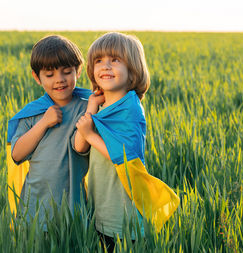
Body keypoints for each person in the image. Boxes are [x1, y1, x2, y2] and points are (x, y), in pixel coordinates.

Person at [74, 32, 180, 252]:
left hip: (123, 210)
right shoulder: (101, 106)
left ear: (133, 70)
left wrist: (91, 134)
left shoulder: (130, 109)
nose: (106, 66)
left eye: (115, 60)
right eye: (99, 61)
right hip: (101, 204)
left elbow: (125, 155)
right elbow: (79, 146)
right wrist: (91, 107)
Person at [6, 35, 92, 229]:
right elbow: (17, 154)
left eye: (67, 72)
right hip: (36, 204)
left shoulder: (87, 106)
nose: (59, 80)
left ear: (78, 71)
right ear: (37, 77)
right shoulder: (34, 113)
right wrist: (44, 123)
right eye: (49, 74)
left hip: (74, 204)